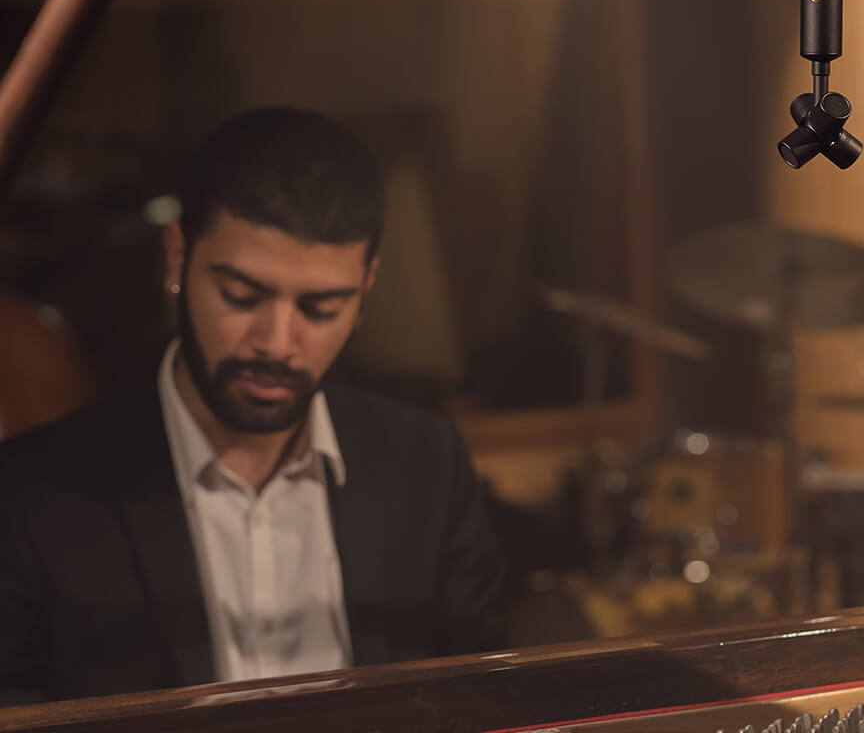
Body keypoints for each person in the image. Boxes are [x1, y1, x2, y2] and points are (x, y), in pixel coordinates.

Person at [0, 107, 504, 706]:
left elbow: (483, 701)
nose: (277, 343)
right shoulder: (32, 497)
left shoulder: (427, 465)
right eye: (241, 296)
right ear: (175, 257)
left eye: (321, 308)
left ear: (366, 289)